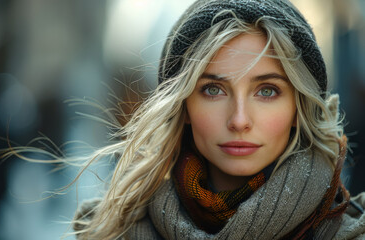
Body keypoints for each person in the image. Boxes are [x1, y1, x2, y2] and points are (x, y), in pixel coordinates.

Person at [72, 0, 365, 239]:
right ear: (183, 106)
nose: (239, 120)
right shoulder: (110, 232)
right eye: (213, 90)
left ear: (297, 108)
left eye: (267, 91)